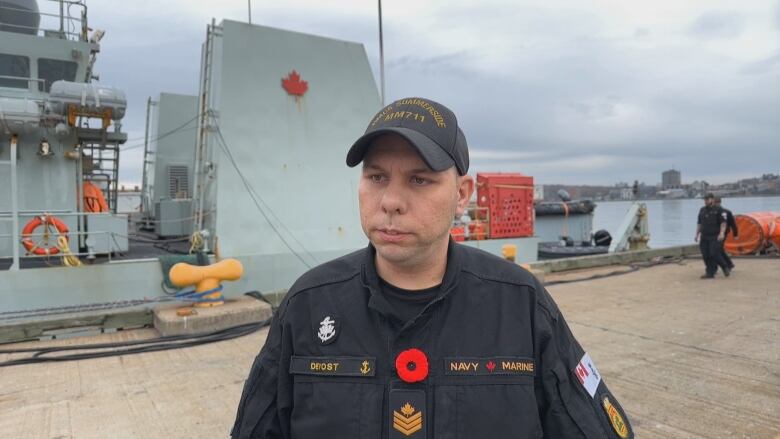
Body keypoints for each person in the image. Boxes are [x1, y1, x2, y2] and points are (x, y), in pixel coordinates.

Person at [231, 97, 634, 438]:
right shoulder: (308, 305)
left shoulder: (521, 305)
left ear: (462, 194)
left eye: (419, 180)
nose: (390, 200)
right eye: (376, 176)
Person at [695, 193, 729, 278]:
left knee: (714, 253)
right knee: (705, 254)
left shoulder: (720, 210)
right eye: (705, 200)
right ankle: (710, 273)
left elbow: (723, 223)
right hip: (704, 235)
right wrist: (697, 234)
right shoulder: (702, 210)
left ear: (712, 199)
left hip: (715, 236)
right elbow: (699, 223)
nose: (705, 201)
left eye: (707, 199)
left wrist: (722, 233)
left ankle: (724, 266)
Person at [714, 196, 737, 271]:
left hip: (723, 233)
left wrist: (735, 234)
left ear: (720, 202)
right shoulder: (712, 212)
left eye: (717, 202)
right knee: (718, 249)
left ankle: (726, 265)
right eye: (715, 202)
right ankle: (729, 264)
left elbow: (733, 224)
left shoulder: (727, 212)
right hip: (713, 233)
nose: (716, 204)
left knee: (717, 249)